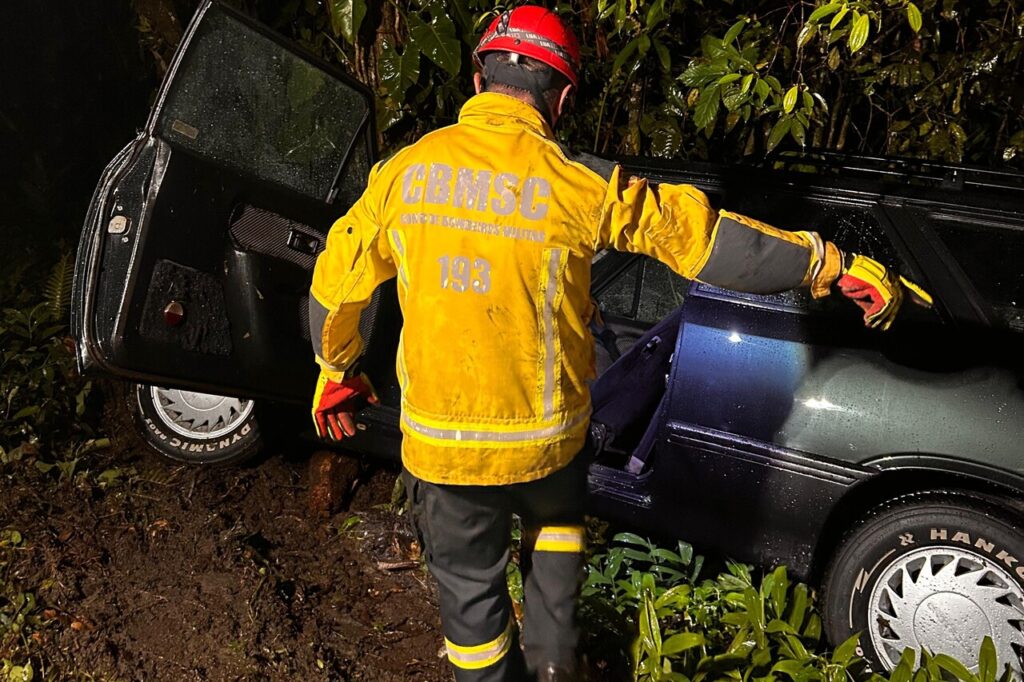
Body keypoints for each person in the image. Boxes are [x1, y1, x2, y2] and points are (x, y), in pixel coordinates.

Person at [307, 7, 927, 680]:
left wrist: (334, 367)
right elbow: (707, 240)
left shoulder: (404, 174)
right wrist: (829, 264)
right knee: (554, 575)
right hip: (550, 452)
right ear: (564, 95)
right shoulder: (580, 185)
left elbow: (338, 286)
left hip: (445, 456)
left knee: (473, 616)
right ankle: (552, 665)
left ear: (478, 78)